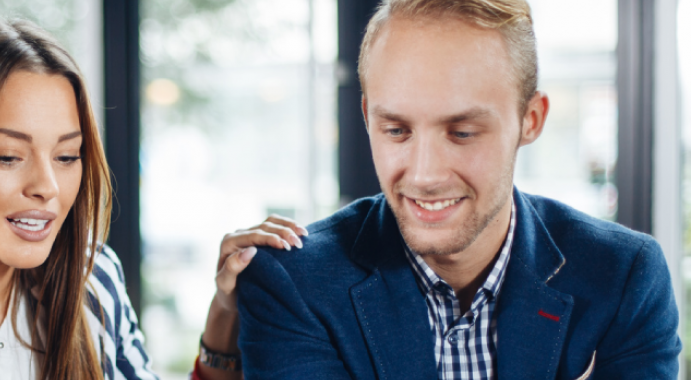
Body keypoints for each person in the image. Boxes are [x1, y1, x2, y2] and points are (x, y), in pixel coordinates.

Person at [235, 0, 680, 379]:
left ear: (531, 120)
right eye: (396, 130)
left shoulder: (624, 277)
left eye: (463, 132)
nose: (425, 175)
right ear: (368, 116)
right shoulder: (294, 284)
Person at [0, 17, 308, 380]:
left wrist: (225, 308)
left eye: (67, 156)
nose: (47, 186)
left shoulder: (94, 282)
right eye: (8, 157)